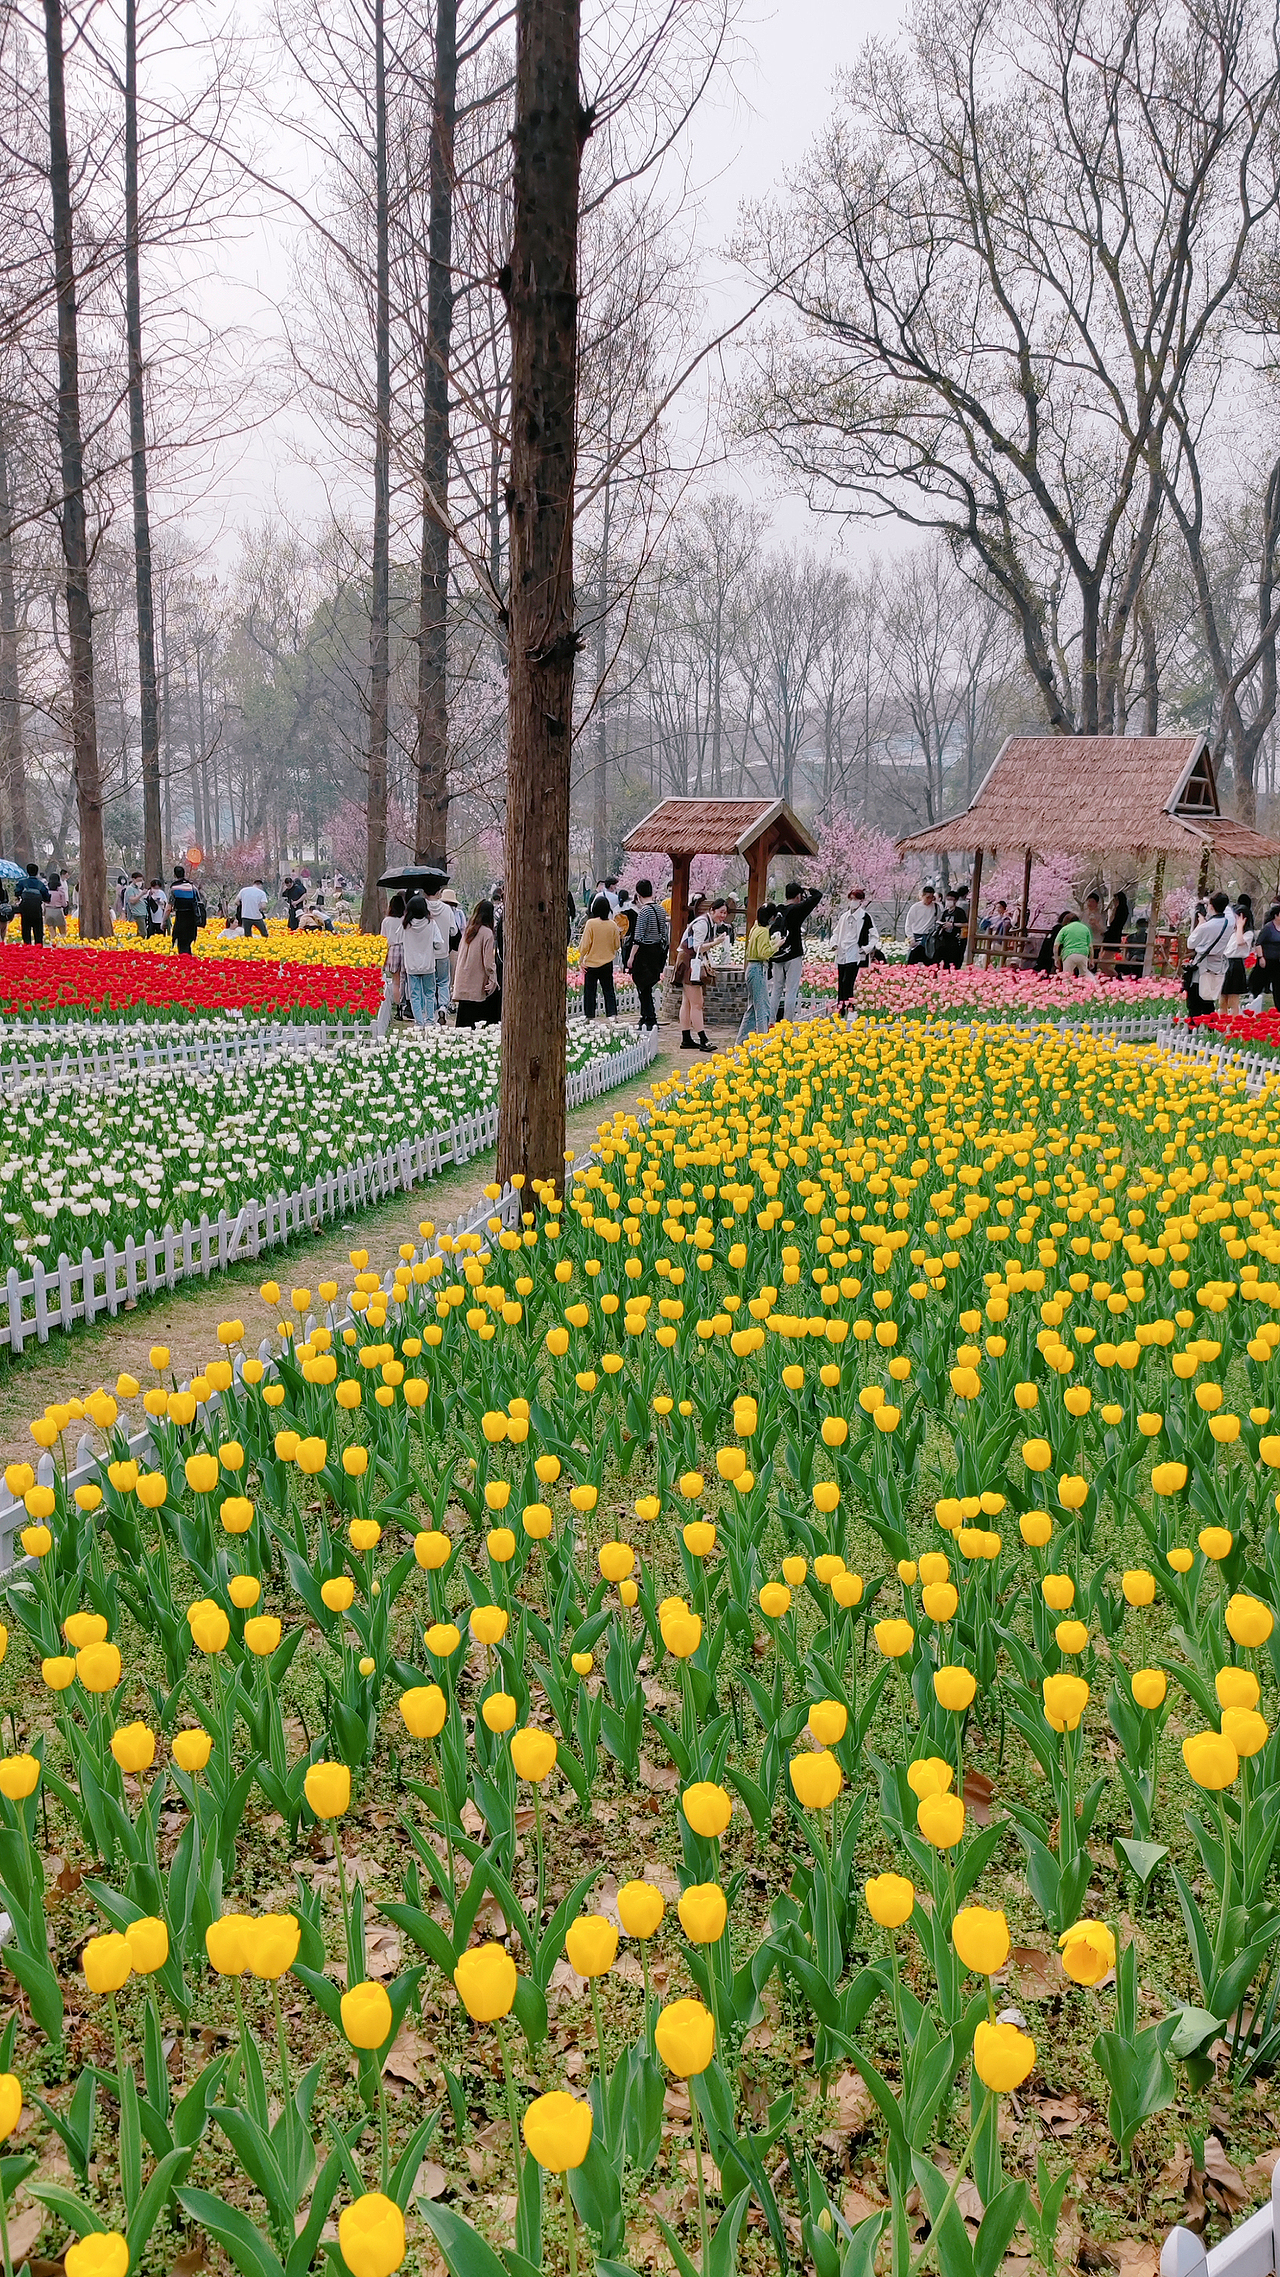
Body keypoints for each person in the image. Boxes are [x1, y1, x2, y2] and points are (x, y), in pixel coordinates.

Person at [766, 881, 821, 1023]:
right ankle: (787, 1021)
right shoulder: (798, 909)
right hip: (793, 954)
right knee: (791, 990)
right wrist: (807, 888)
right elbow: (817, 895)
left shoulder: (778, 910)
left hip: (777, 954)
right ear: (798, 896)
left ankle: (770, 1021)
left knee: (776, 990)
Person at [1185, 890, 1236, 1017]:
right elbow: (1228, 911)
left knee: (1195, 1001)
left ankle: (1194, 1026)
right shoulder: (1229, 923)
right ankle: (1210, 1026)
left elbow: (1190, 943)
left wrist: (1200, 923)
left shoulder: (1206, 926)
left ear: (1211, 907)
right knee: (1209, 1000)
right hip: (1217, 966)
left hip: (1202, 966)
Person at [628, 878, 668, 1031]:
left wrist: (631, 957)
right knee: (648, 985)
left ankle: (649, 1017)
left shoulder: (644, 911)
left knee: (642, 986)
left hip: (645, 951)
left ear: (638, 894)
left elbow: (638, 936)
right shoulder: (660, 909)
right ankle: (646, 1016)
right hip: (657, 951)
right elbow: (664, 933)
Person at [453, 898, 500, 1025]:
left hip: (463, 980)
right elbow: (488, 961)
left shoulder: (468, 931)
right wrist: (493, 978)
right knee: (478, 1021)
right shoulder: (487, 933)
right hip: (477, 982)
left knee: (463, 1022)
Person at [401, 892, 445, 1027]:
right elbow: (439, 943)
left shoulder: (405, 925)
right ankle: (430, 1020)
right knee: (429, 993)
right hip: (428, 965)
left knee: (414, 995)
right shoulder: (431, 924)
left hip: (411, 965)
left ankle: (419, 1022)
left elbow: (398, 940)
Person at [831, 886, 880, 1007]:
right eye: (851, 899)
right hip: (842, 951)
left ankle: (849, 1006)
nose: (853, 901)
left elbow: (874, 936)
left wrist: (867, 948)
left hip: (855, 952)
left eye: (855, 899)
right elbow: (836, 932)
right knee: (841, 982)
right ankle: (841, 1006)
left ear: (861, 901)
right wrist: (834, 943)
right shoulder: (844, 917)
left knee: (848, 981)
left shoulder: (865, 917)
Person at [579, 894, 622, 1020]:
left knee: (590, 992)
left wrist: (581, 959)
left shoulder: (591, 923)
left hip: (591, 963)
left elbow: (585, 945)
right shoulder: (612, 925)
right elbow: (616, 945)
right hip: (607, 962)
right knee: (608, 990)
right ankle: (612, 1015)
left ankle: (589, 1016)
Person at [737, 903, 775, 1042]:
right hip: (758, 968)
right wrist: (776, 945)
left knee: (753, 1008)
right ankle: (763, 1040)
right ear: (771, 918)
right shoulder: (764, 931)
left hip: (751, 968)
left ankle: (741, 1040)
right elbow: (763, 953)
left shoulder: (755, 928)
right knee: (762, 1008)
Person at [375, 893, 406, 1036]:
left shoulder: (387, 921)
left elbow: (383, 938)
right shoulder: (405, 919)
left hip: (392, 949)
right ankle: (404, 1005)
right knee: (404, 980)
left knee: (395, 981)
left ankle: (398, 1007)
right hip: (405, 949)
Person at [426, 882, 457, 1022]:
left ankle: (432, 1011)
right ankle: (443, 1007)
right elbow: (454, 931)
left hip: (427, 953)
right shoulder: (447, 909)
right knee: (444, 981)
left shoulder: (423, 907)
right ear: (438, 892)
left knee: (430, 983)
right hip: (443, 952)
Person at [1222, 893, 1254, 1011]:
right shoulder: (1232, 932)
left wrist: (1240, 926)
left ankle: (1235, 1020)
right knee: (1222, 999)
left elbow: (1240, 942)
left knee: (1233, 999)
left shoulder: (1248, 934)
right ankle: (1222, 1020)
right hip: (1225, 963)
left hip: (1236, 965)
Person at [170, 865, 202, 956]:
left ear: (174, 875)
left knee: (181, 944)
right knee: (188, 943)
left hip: (181, 919)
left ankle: (185, 961)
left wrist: (164, 921)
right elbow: (199, 902)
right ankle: (188, 960)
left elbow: (169, 906)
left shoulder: (174, 888)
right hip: (192, 920)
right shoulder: (192, 887)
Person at [1254, 903, 1280, 1009]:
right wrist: (1261, 957)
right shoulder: (1268, 928)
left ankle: (1278, 1005)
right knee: (1260, 982)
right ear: (1276, 915)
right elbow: (1258, 943)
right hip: (1267, 959)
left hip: (1278, 961)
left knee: (1277, 984)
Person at [1054, 909, 1094, 977]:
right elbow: (1090, 946)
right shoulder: (1085, 928)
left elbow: (1056, 945)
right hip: (1083, 954)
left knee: (1067, 976)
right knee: (1083, 976)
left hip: (1069, 954)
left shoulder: (1065, 929)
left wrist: (1056, 959)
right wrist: (1091, 960)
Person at [904, 885, 939, 964]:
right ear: (922, 896)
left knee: (929, 962)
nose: (929, 900)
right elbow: (908, 924)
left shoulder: (936, 907)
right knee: (913, 962)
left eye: (931, 897)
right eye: (927, 897)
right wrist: (911, 938)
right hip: (917, 936)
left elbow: (938, 921)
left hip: (929, 938)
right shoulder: (915, 907)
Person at [17, 863, 49, 945]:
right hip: (36, 911)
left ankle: (27, 948)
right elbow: (47, 897)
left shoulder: (22, 883)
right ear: (37, 872)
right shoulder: (40, 884)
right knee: (38, 933)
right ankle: (38, 948)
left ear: (27, 871)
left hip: (25, 911)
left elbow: (17, 892)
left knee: (26, 931)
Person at [46, 870, 69, 936]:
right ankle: (62, 942)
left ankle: (53, 942)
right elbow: (64, 904)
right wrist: (66, 904)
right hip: (57, 910)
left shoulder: (47, 889)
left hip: (48, 910)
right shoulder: (61, 890)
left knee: (52, 934)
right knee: (63, 932)